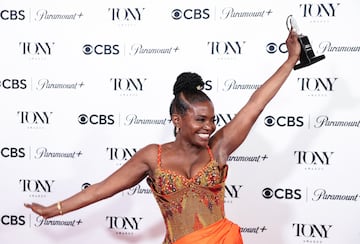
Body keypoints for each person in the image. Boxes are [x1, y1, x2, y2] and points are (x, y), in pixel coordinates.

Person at [25, 30, 301, 244]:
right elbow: (101, 189)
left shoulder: (218, 148)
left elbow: (255, 105)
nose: (210, 126)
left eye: (213, 119)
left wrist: (290, 60)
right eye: (201, 120)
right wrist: (54, 209)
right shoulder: (152, 156)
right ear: (177, 120)